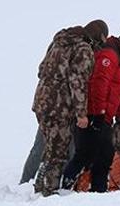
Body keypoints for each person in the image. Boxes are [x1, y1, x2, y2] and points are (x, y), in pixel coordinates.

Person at [62, 27, 120, 193]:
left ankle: (94, 191)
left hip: (103, 116)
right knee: (92, 155)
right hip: (96, 115)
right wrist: (99, 113)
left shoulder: (119, 61)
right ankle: (75, 189)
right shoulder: (109, 55)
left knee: (96, 155)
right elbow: (99, 83)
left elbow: (119, 93)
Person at [30, 20, 108, 196]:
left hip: (41, 101)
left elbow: (41, 69)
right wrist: (81, 113)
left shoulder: (59, 42)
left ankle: (40, 185)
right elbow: (78, 82)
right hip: (60, 106)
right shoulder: (83, 49)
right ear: (98, 38)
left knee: (51, 146)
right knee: (59, 151)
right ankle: (48, 192)